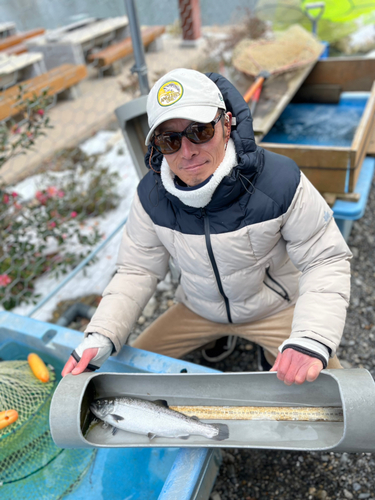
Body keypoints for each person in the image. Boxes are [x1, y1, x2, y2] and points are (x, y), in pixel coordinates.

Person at [62, 68, 352, 386]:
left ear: (227, 124)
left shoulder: (280, 180)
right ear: (156, 146)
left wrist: (310, 339)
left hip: (273, 309)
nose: (187, 152)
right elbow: (136, 270)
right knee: (123, 377)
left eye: (200, 131)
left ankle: (273, 351)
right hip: (198, 310)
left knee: (331, 391)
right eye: (169, 140)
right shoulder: (150, 196)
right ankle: (231, 342)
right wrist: (100, 334)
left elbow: (325, 259)